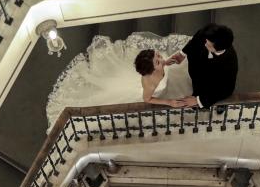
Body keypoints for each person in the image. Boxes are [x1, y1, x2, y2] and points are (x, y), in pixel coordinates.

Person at [43, 32, 194, 129]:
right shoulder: (149, 83)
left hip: (170, 81)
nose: (161, 59)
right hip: (164, 93)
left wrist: (166, 62)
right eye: (158, 61)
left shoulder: (159, 66)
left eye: (158, 56)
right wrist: (169, 102)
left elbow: (162, 65)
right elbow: (147, 99)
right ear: (151, 71)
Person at [177, 22, 238, 107]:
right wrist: (183, 53)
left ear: (218, 49)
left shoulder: (229, 64)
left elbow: (226, 89)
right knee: (197, 83)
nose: (205, 44)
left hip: (214, 82)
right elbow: (196, 38)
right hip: (197, 68)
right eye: (206, 41)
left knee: (215, 93)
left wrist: (198, 100)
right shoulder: (209, 32)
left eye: (209, 45)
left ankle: (221, 105)